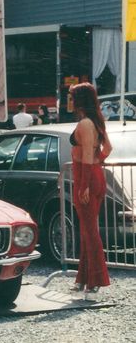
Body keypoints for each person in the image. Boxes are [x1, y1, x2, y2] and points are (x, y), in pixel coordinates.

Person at [69, 82, 112, 295]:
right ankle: (84, 279)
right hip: (93, 175)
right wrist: (97, 160)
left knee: (90, 232)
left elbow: (86, 155)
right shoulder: (95, 122)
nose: (70, 100)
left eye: (72, 96)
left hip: (85, 178)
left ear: (79, 100)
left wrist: (84, 184)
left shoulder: (86, 123)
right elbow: (108, 148)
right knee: (87, 231)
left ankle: (95, 280)